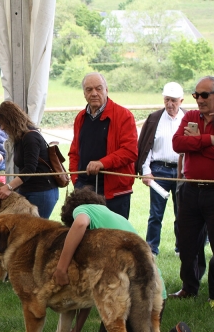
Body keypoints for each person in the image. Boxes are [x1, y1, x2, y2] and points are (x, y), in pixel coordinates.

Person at [51, 188, 214, 332]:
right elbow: (92, 297)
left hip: (132, 295)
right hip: (156, 292)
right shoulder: (115, 218)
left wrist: (61, 267)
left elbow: (80, 223)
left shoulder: (83, 210)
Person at [69, 72, 138, 219]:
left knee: (115, 238)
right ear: (84, 94)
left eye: (99, 88)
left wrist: (102, 163)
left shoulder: (124, 116)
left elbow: (130, 151)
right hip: (85, 190)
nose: (94, 93)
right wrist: (76, 179)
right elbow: (74, 152)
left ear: (107, 90)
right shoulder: (80, 118)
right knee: (85, 237)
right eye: (89, 89)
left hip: (114, 193)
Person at [170, 76, 214, 299]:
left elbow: (189, 146)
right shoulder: (190, 116)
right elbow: (177, 144)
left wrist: (196, 142)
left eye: (204, 95)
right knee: (187, 243)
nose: (199, 99)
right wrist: (208, 140)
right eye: (196, 95)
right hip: (190, 190)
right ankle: (189, 288)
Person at [136, 82, 185, 256]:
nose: (169, 104)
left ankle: (181, 247)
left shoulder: (187, 119)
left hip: (182, 172)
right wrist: (146, 170)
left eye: (173, 100)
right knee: (155, 214)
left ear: (181, 101)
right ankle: (152, 249)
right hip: (159, 170)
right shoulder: (154, 118)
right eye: (166, 100)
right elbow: (145, 146)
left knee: (182, 212)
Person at [0, 101, 59, 219]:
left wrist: (9, 187)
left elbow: (30, 168)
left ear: (11, 120)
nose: (1, 128)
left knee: (35, 232)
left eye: (2, 123)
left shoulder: (30, 137)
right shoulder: (20, 137)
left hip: (41, 191)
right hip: (28, 189)